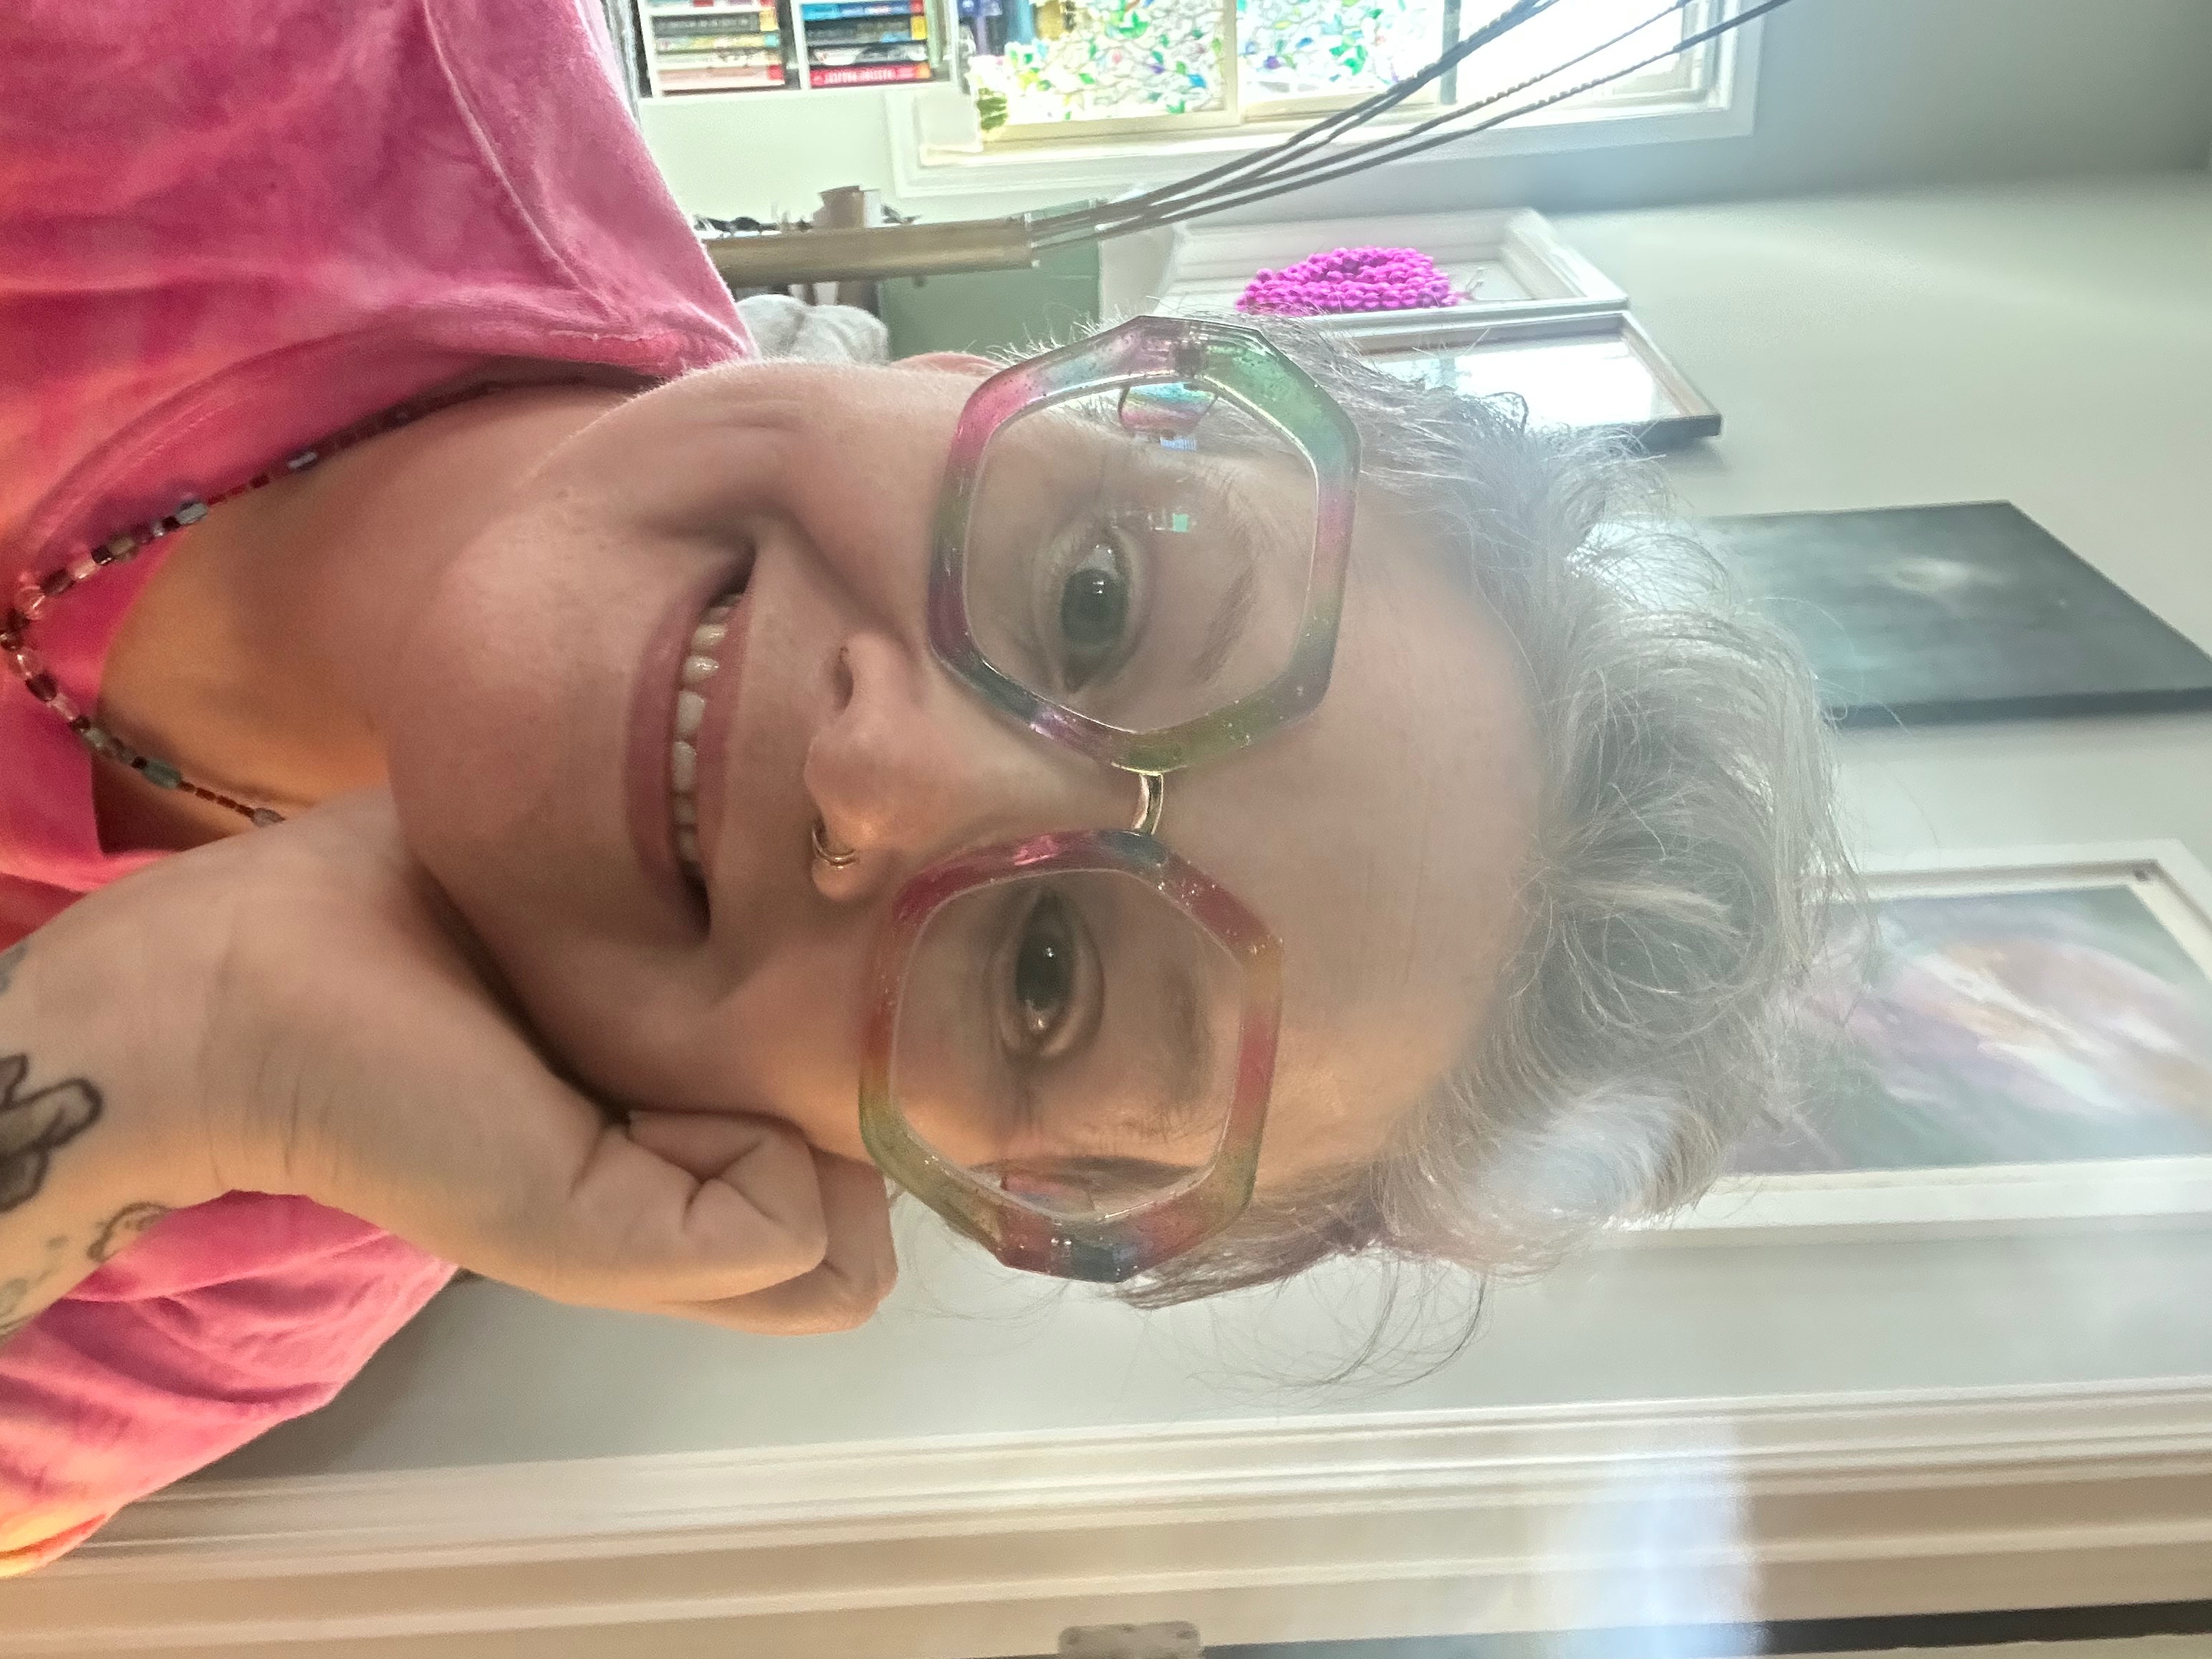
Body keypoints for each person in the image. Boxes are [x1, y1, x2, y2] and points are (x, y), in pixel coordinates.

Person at [0, 0, 1844, 1570]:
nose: (878, 768)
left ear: (902, 1182)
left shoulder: (215, 1275)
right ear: (995, 377)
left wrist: (167, 1052)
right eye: (1097, 597)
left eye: (1043, 977)